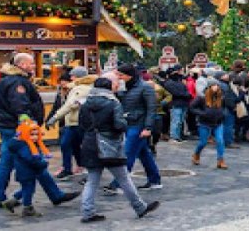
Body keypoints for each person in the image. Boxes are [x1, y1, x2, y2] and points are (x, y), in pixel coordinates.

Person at [78, 76, 159, 223]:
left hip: (90, 143)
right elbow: (119, 125)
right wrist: (124, 121)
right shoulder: (113, 103)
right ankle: (140, 207)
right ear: (108, 88)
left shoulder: (85, 104)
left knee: (92, 180)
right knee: (123, 178)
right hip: (110, 145)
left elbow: (82, 124)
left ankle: (87, 212)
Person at [0, 54, 45, 208]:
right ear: (21, 64)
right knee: (34, 160)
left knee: (7, 162)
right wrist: (29, 123)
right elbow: (20, 105)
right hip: (18, 128)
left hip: (9, 126)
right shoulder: (17, 82)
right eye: (31, 63)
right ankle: (22, 197)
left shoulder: (9, 79)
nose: (34, 66)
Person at [2, 116, 79, 217]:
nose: (34, 137)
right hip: (27, 172)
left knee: (27, 188)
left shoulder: (23, 143)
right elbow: (31, 159)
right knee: (28, 189)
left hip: (27, 172)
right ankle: (27, 208)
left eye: (36, 134)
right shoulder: (24, 146)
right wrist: (42, 163)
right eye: (32, 134)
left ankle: (11, 202)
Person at [107, 64, 161, 193]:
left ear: (129, 75)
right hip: (129, 123)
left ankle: (119, 184)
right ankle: (154, 180)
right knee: (144, 154)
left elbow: (151, 109)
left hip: (139, 125)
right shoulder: (126, 87)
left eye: (121, 75)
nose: (119, 78)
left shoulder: (145, 88)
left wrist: (148, 127)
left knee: (128, 153)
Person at [47, 66, 94, 180]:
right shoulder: (74, 88)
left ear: (78, 77)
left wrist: (55, 117)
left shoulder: (80, 89)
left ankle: (86, 169)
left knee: (69, 144)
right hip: (74, 121)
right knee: (71, 145)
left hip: (76, 121)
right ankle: (75, 168)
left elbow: (70, 105)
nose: (71, 77)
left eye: (72, 75)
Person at [190, 85, 228, 169]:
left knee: (220, 140)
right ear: (209, 86)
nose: (216, 87)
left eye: (217, 85)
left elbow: (225, 107)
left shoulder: (221, 97)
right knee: (203, 142)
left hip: (218, 123)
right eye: (214, 85)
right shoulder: (201, 97)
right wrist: (202, 113)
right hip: (204, 123)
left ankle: (220, 160)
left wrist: (223, 114)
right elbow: (192, 107)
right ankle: (196, 154)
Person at [163, 68, 192, 143]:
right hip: (175, 104)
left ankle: (178, 136)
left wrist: (186, 94)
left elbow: (186, 91)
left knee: (180, 121)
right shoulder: (168, 83)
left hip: (183, 103)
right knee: (176, 121)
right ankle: (173, 137)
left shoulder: (180, 82)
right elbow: (176, 93)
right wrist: (185, 95)